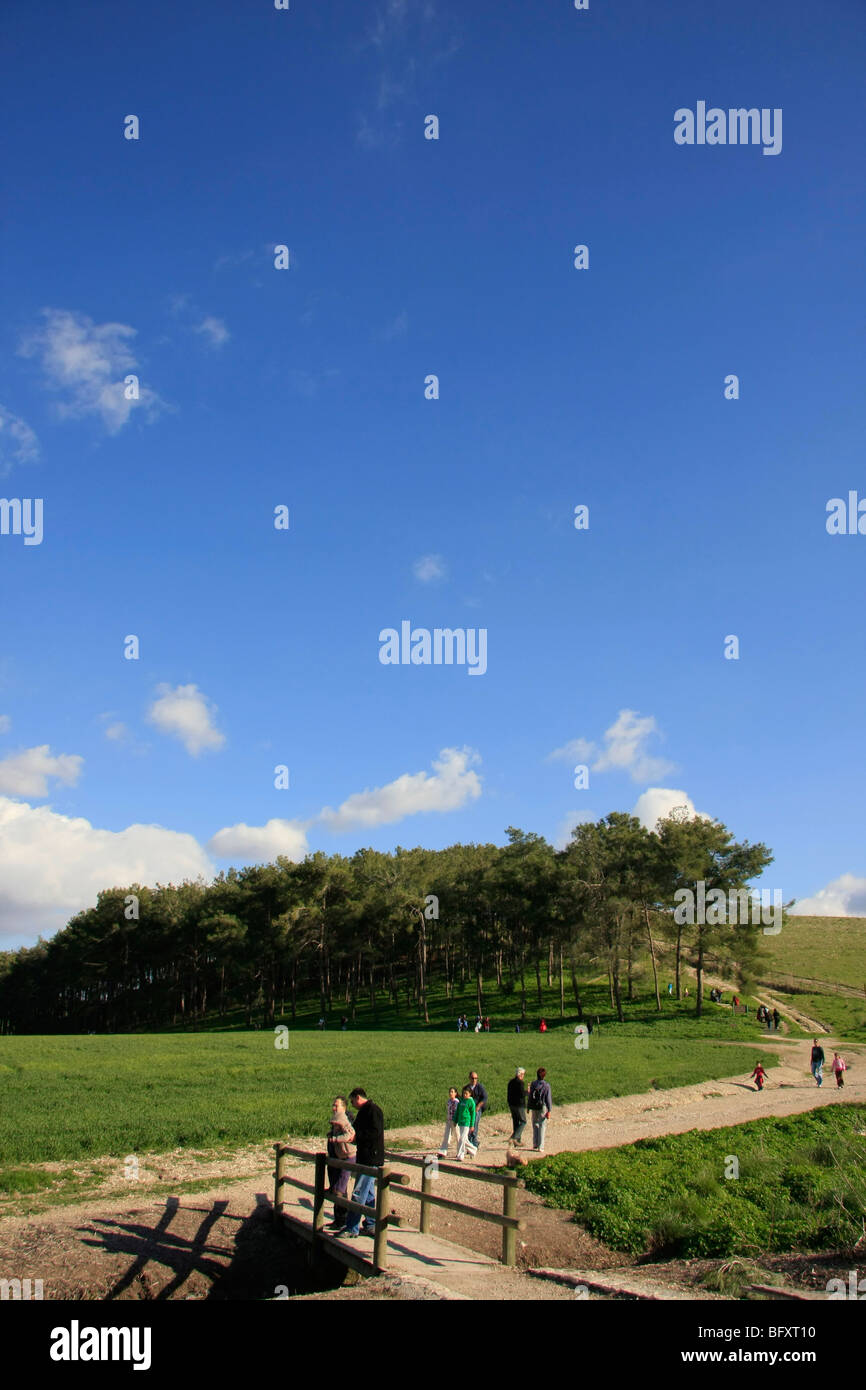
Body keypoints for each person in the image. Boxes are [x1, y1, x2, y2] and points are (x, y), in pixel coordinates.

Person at [343, 1087, 384, 1238]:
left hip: (370, 1157)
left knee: (359, 1192)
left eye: (353, 1101)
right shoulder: (364, 1111)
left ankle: (351, 1228)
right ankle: (371, 1224)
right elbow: (356, 1129)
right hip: (365, 1156)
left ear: (358, 1097)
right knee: (368, 1193)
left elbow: (375, 1132)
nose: (352, 1104)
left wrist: (356, 1137)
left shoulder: (373, 1110)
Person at [324, 1096, 355, 1230]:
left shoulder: (345, 1120)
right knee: (337, 1186)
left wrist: (335, 1139)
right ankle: (339, 1220)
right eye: (333, 1105)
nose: (334, 1108)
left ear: (344, 1107)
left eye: (337, 1105)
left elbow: (350, 1135)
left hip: (346, 1156)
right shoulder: (337, 1119)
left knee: (340, 1190)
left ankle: (343, 1220)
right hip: (337, 1156)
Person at [529, 1068, 552, 1152]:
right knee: (542, 1125)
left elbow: (530, 1096)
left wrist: (528, 1107)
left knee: (535, 1124)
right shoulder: (546, 1085)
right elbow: (548, 1099)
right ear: (544, 1075)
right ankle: (540, 1147)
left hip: (534, 1106)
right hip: (542, 1106)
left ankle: (535, 1143)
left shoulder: (533, 1084)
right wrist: (549, 1110)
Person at [454, 1086, 477, 1160]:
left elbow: (473, 1114)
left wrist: (472, 1125)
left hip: (466, 1122)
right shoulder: (461, 1101)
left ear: (470, 1094)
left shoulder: (471, 1102)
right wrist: (455, 1120)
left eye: (466, 1093)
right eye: (463, 1093)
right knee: (464, 1139)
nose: (464, 1095)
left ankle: (461, 1154)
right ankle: (473, 1150)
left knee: (462, 1138)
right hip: (461, 1122)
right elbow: (458, 1111)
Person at [507, 1067, 528, 1145]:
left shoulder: (511, 1082)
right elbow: (522, 1094)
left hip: (512, 1105)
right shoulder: (520, 1083)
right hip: (519, 1105)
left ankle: (517, 1141)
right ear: (521, 1074)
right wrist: (527, 1092)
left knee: (516, 1122)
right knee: (523, 1121)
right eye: (523, 1074)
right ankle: (514, 1137)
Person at [438, 1086, 460, 1156]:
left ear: (455, 1093)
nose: (451, 1093)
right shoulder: (449, 1101)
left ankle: (460, 1151)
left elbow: (458, 1112)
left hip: (455, 1122)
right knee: (447, 1136)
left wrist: (456, 1120)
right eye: (450, 1092)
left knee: (458, 1136)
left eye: (452, 1092)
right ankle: (443, 1152)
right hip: (449, 1121)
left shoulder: (457, 1102)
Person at [468, 1070, 488, 1149]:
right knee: (469, 1125)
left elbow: (485, 1097)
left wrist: (478, 1106)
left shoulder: (480, 1087)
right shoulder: (467, 1087)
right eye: (473, 1078)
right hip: (469, 1109)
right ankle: (471, 1141)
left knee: (474, 1124)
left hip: (477, 1109)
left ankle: (474, 1141)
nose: (474, 1080)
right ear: (469, 1078)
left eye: (476, 1078)